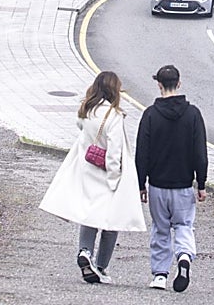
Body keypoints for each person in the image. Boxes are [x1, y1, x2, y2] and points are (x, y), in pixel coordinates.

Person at [40, 71, 145, 285]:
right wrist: (115, 178)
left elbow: (80, 129)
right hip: (106, 173)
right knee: (111, 220)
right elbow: (115, 152)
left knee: (89, 215)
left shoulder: (86, 111)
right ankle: (101, 266)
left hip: (88, 169)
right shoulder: (113, 116)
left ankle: (85, 251)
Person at [136, 64, 207, 292]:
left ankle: (159, 274)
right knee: (184, 225)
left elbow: (142, 153)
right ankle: (184, 256)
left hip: (157, 184)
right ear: (179, 83)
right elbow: (200, 153)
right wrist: (201, 184)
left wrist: (141, 184)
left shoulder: (150, 115)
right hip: (183, 184)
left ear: (159, 85)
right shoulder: (193, 114)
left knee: (161, 228)